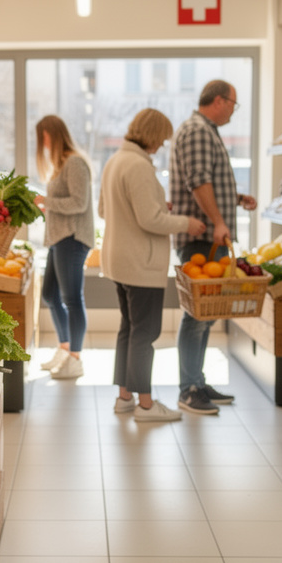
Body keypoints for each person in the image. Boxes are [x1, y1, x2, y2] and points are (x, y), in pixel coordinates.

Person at [100, 108, 206, 422]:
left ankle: (124, 398)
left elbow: (107, 210)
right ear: (151, 134)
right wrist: (186, 222)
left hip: (119, 260)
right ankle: (146, 405)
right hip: (140, 264)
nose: (161, 144)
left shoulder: (116, 160)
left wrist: (160, 207)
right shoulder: (139, 166)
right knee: (145, 333)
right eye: (160, 137)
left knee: (129, 330)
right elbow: (150, 219)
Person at [170, 79, 257, 415]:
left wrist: (234, 199)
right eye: (234, 104)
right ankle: (189, 388)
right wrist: (220, 221)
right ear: (219, 101)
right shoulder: (197, 130)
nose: (234, 112)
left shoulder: (205, 129)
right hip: (201, 239)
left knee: (205, 316)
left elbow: (208, 181)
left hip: (209, 236)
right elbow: (198, 180)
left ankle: (197, 380)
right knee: (196, 315)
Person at [32, 116, 95, 380]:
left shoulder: (75, 163)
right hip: (59, 239)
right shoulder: (61, 165)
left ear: (51, 134)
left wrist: (47, 201)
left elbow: (79, 203)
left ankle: (75, 357)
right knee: (50, 295)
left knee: (71, 298)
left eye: (43, 137)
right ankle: (65, 346)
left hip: (73, 238)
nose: (42, 144)